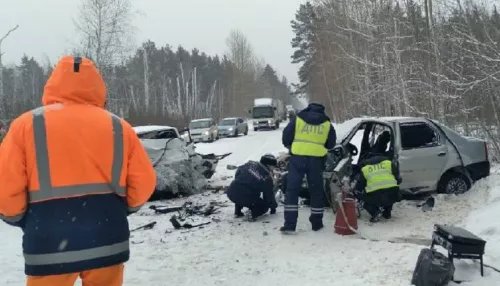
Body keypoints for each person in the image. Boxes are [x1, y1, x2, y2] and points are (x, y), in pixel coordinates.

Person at [0, 56, 157, 286]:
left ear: (53, 83)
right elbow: (144, 182)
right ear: (97, 86)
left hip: (49, 244)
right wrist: (120, 209)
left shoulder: (26, 126)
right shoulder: (118, 126)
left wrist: (22, 218)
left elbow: (5, 188)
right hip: (107, 240)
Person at [281, 103, 336, 233]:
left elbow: (286, 137)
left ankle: (290, 224)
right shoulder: (327, 123)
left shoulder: (298, 120)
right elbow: (331, 144)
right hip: (316, 161)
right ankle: (317, 223)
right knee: (316, 191)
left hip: (297, 159)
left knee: (292, 191)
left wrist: (292, 147)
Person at [226, 154, 279, 220]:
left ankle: (238, 212)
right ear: (268, 165)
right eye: (273, 166)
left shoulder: (250, 164)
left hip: (231, 191)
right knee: (264, 206)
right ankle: (253, 214)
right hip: (245, 197)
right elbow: (268, 195)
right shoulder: (266, 178)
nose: (274, 168)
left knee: (241, 189)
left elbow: (238, 172)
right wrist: (273, 207)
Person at [355, 153, 402, 223]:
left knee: (360, 196)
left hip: (376, 196)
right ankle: (387, 212)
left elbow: (360, 186)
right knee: (390, 188)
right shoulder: (389, 163)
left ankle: (375, 212)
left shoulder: (365, 169)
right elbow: (398, 179)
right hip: (394, 194)